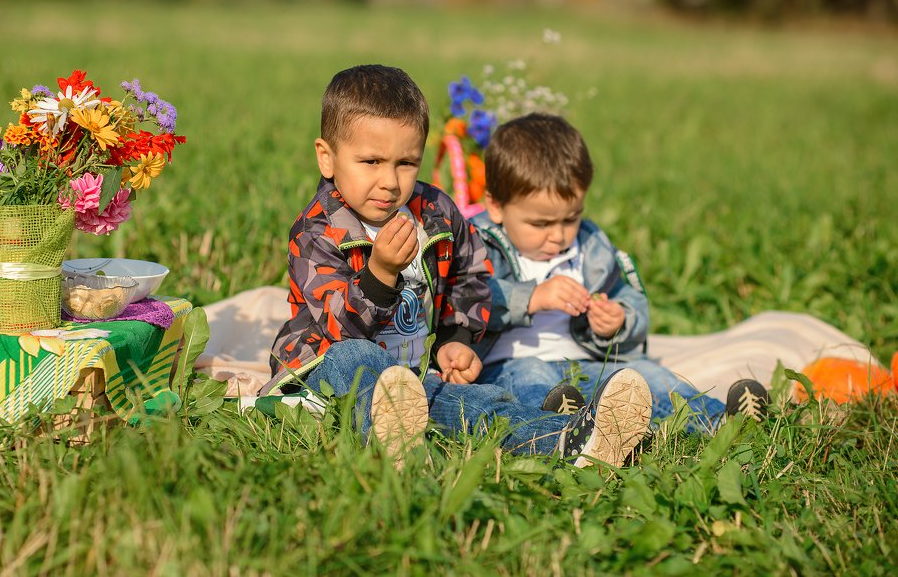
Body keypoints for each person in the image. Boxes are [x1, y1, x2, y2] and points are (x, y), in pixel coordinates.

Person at [258, 65, 653, 466]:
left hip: (414, 379)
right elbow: (339, 330)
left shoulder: (434, 213)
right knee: (354, 361)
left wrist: (457, 340)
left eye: (406, 163)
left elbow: (470, 276)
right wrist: (379, 273)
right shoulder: (317, 232)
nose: (390, 181)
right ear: (327, 158)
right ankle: (391, 441)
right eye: (371, 162)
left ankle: (572, 440)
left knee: (481, 404)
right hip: (325, 374)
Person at [471, 113, 768, 431]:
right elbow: (468, 300)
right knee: (530, 375)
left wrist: (618, 320)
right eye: (540, 224)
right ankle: (566, 427)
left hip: (588, 364)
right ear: (497, 206)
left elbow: (629, 297)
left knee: (647, 374)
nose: (558, 235)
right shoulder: (479, 242)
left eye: (570, 219)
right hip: (508, 363)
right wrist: (531, 298)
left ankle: (721, 420)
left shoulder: (589, 246)